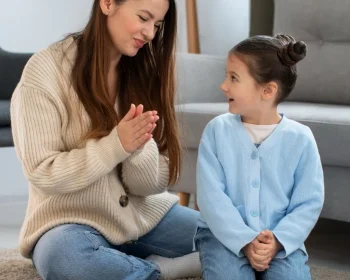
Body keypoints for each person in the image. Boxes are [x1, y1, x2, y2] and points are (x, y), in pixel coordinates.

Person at [10, 0, 201, 279]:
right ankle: (160, 270)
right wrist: (116, 146)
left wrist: (135, 150)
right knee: (69, 262)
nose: (149, 33)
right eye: (144, 18)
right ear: (108, 4)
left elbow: (152, 183)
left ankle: (126, 268)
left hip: (144, 216)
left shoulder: (144, 69)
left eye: (157, 25)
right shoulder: (46, 71)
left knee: (235, 243)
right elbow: (43, 172)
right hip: (69, 223)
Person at [194, 34, 324, 280]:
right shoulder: (216, 130)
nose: (224, 85)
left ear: (267, 90)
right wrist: (244, 241)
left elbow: (308, 202)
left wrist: (277, 241)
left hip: (279, 238)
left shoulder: (301, 139)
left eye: (233, 78)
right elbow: (211, 197)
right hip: (222, 236)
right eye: (226, 75)